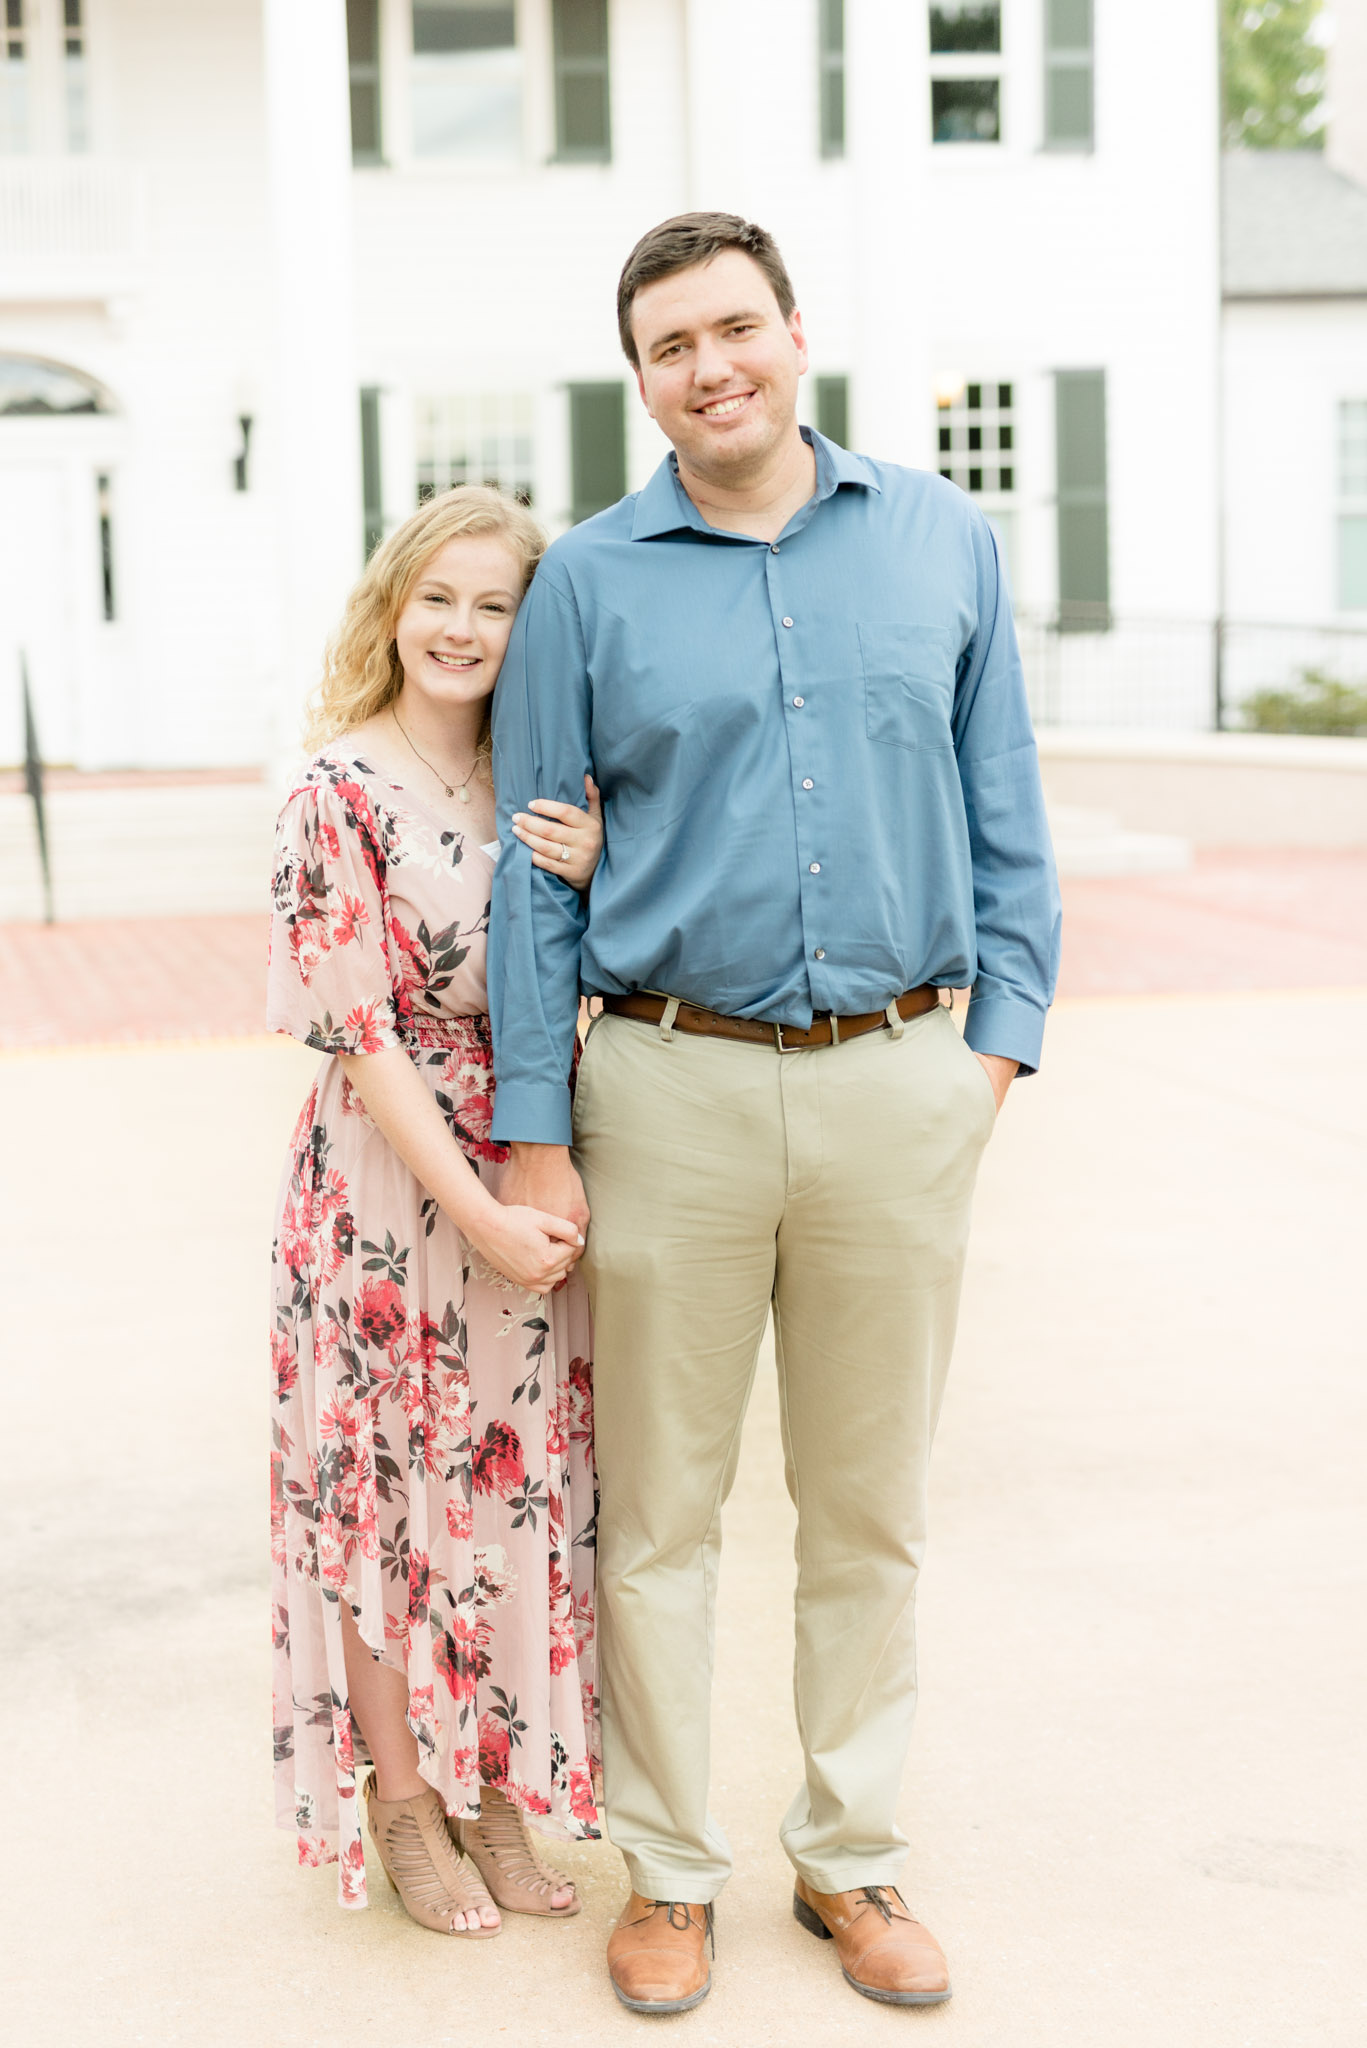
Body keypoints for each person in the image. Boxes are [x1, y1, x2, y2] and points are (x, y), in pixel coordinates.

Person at [488, 214, 1061, 2012]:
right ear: (641, 378)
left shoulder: (940, 540)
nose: (711, 366)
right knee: (655, 1514)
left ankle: (854, 1860)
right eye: (672, 346)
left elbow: (1006, 806)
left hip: (903, 1077)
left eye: (736, 327)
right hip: (667, 1085)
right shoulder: (588, 580)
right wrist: (533, 1118)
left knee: (867, 1508)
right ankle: (667, 1873)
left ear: (795, 333)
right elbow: (534, 875)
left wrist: (991, 1056)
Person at [267, 485, 606, 1938]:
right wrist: (467, 1206)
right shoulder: (333, 791)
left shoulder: (552, 788)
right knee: (383, 1499)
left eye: (497, 603)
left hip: (531, 1162)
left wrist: (607, 873)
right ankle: (402, 1796)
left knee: (515, 1484)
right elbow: (367, 1039)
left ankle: (496, 1789)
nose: (463, 628)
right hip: (386, 1193)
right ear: (392, 607)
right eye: (439, 598)